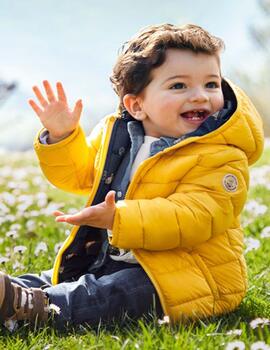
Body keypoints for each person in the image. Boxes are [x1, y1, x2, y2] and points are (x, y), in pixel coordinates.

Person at [0, 23, 264, 329]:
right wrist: (62, 137)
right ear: (136, 105)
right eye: (179, 86)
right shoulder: (119, 135)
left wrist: (119, 218)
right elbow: (80, 175)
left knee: (109, 294)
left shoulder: (221, 155)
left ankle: (33, 310)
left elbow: (196, 216)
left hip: (188, 276)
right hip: (116, 259)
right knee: (53, 277)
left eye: (211, 84)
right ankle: (14, 293)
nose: (200, 97)